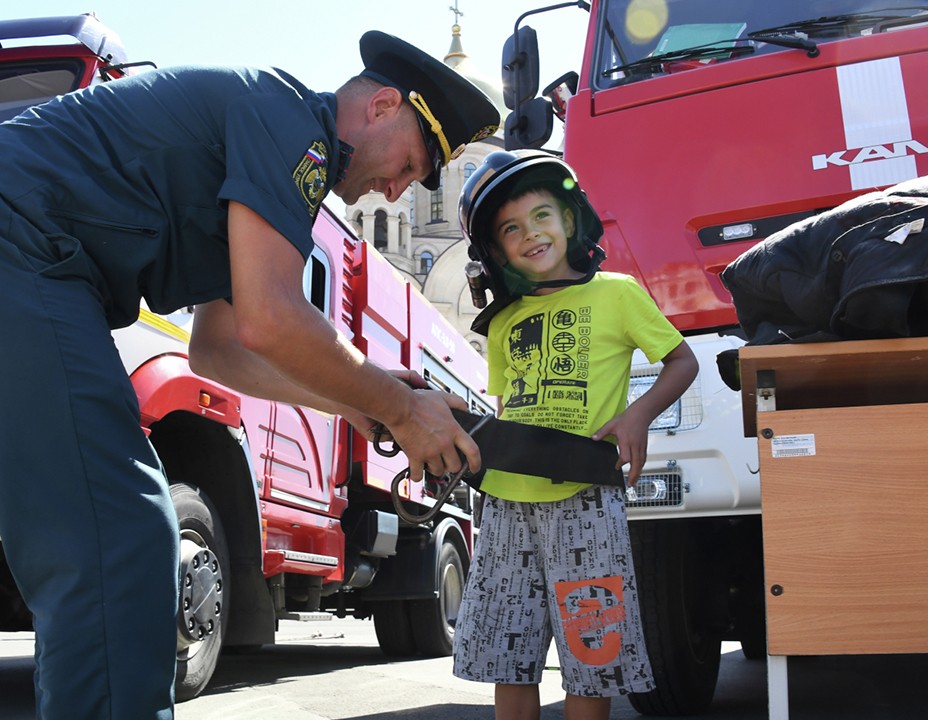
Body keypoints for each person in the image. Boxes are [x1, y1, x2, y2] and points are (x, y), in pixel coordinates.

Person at [0, 30, 499, 720]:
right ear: (383, 106)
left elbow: (222, 349)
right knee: (123, 541)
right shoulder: (296, 123)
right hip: (21, 243)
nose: (395, 190)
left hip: (31, 256)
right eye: (410, 166)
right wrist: (403, 409)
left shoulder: (273, 148)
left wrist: (363, 405)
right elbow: (273, 317)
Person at [452, 150, 699, 720]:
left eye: (542, 216)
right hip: (507, 500)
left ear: (569, 219)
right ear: (495, 250)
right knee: (506, 654)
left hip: (587, 495)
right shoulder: (502, 322)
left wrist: (637, 414)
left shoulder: (618, 293)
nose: (530, 234)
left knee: (594, 651)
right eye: (511, 229)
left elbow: (682, 361)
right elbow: (507, 403)